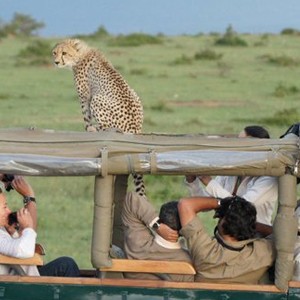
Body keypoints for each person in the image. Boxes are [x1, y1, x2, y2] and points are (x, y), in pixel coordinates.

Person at [184, 125, 278, 225]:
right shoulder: (231, 171)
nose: (236, 146)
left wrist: (209, 183)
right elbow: (206, 204)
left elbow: (243, 208)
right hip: (225, 234)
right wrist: (192, 181)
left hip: (255, 235)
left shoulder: (268, 178)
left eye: (240, 143)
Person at [178, 195, 275, 283]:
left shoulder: (205, 250)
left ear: (221, 222)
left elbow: (185, 205)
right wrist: (245, 221)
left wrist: (221, 203)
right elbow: (280, 233)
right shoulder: (263, 252)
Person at [0, 174, 80, 277]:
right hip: (20, 284)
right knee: (67, 265)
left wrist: (14, 232)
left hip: (18, 278)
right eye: (4, 207)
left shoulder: (3, 229)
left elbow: (16, 246)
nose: (9, 211)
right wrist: (27, 227)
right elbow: (24, 250)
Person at [121, 191, 194, 281]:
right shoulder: (187, 261)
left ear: (161, 219)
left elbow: (131, 198)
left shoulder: (138, 244)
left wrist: (157, 225)